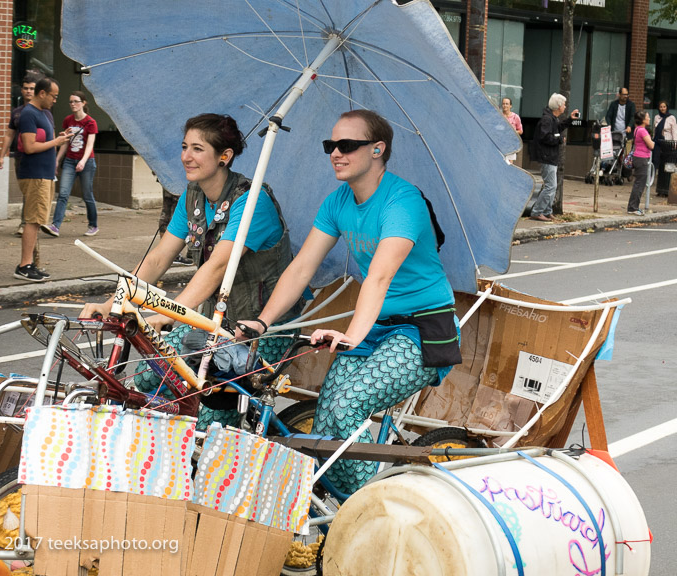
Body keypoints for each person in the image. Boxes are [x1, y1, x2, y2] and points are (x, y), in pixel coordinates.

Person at [237, 109, 459, 494]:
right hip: (375, 327)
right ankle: (343, 509)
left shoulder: (403, 201)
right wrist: (263, 321)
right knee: (325, 427)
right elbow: (303, 266)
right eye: (330, 145)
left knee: (345, 407)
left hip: (422, 329)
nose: (335, 153)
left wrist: (352, 335)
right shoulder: (338, 201)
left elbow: (380, 276)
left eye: (347, 145)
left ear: (377, 149)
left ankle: (372, 506)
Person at [80, 113, 298, 428]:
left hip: (261, 324)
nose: (186, 156)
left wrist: (167, 313)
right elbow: (158, 258)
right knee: (147, 381)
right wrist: (112, 304)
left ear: (225, 156)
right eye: (184, 147)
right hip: (215, 320)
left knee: (205, 412)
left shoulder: (252, 203)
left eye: (197, 149)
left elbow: (216, 267)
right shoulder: (192, 196)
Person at [14, 77, 70, 281]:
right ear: (42, 93)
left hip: (44, 173)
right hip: (35, 174)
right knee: (32, 219)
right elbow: (29, 146)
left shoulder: (44, 114)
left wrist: (59, 138)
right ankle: (24, 265)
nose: (55, 100)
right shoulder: (29, 113)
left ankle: (31, 263)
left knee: (37, 221)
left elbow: (45, 142)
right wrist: (56, 141)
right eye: (53, 96)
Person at [0, 73, 49, 238]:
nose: (28, 91)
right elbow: (9, 134)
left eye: (31, 89)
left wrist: (53, 159)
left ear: (38, 91)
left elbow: (51, 136)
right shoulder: (18, 112)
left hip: (39, 157)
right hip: (21, 156)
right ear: (21, 90)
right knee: (27, 192)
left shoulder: (45, 112)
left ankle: (29, 222)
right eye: (26, 88)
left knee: (36, 191)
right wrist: (1, 155)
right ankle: (31, 222)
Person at [42, 90, 99, 237]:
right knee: (63, 194)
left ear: (83, 103)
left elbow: (90, 145)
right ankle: (55, 226)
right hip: (69, 161)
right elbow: (65, 143)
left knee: (87, 195)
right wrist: (56, 160)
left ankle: (93, 225)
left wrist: (83, 161)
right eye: (71, 102)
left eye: (76, 101)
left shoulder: (91, 122)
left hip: (86, 162)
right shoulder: (68, 120)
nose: (73, 104)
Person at [529, 93, 580, 222]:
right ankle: (537, 211)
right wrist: (559, 140)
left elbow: (558, 128)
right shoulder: (547, 119)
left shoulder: (552, 118)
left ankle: (547, 211)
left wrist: (570, 120)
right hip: (547, 156)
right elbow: (545, 137)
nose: (565, 106)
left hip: (550, 156)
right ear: (558, 106)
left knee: (552, 185)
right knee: (550, 186)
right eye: (563, 104)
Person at [626, 111, 655, 216]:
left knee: (638, 183)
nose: (649, 118)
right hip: (642, 158)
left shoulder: (637, 129)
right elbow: (651, 145)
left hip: (638, 157)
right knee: (640, 184)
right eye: (647, 117)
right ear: (643, 120)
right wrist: (653, 141)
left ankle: (632, 206)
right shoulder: (642, 131)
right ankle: (633, 207)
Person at [652, 100, 677, 197]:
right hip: (658, 143)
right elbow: (655, 130)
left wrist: (675, 143)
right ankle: (660, 188)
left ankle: (666, 189)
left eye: (664, 106)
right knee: (659, 164)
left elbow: (674, 131)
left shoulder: (671, 118)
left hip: (668, 143)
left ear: (667, 107)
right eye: (661, 106)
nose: (662, 108)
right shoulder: (656, 117)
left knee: (667, 166)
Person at [501, 96, 523, 164]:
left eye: (507, 104)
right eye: (503, 104)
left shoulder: (515, 117)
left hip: (511, 144)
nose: (505, 105)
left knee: (510, 164)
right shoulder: (499, 116)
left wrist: (513, 132)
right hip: (500, 143)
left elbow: (521, 131)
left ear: (510, 106)